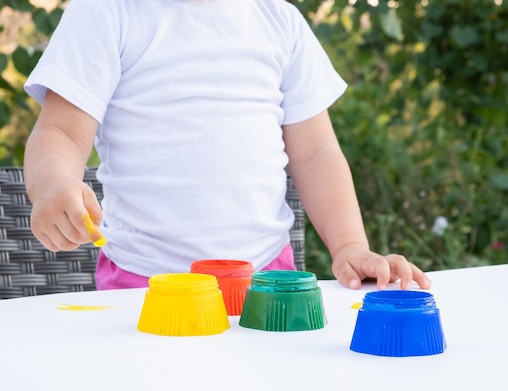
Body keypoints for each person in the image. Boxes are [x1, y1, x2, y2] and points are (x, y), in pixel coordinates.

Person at [23, 0, 431, 291]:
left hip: (267, 280)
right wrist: (53, 185)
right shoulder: (106, 12)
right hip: (145, 281)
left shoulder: (280, 21)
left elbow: (316, 155)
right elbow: (60, 133)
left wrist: (349, 246)